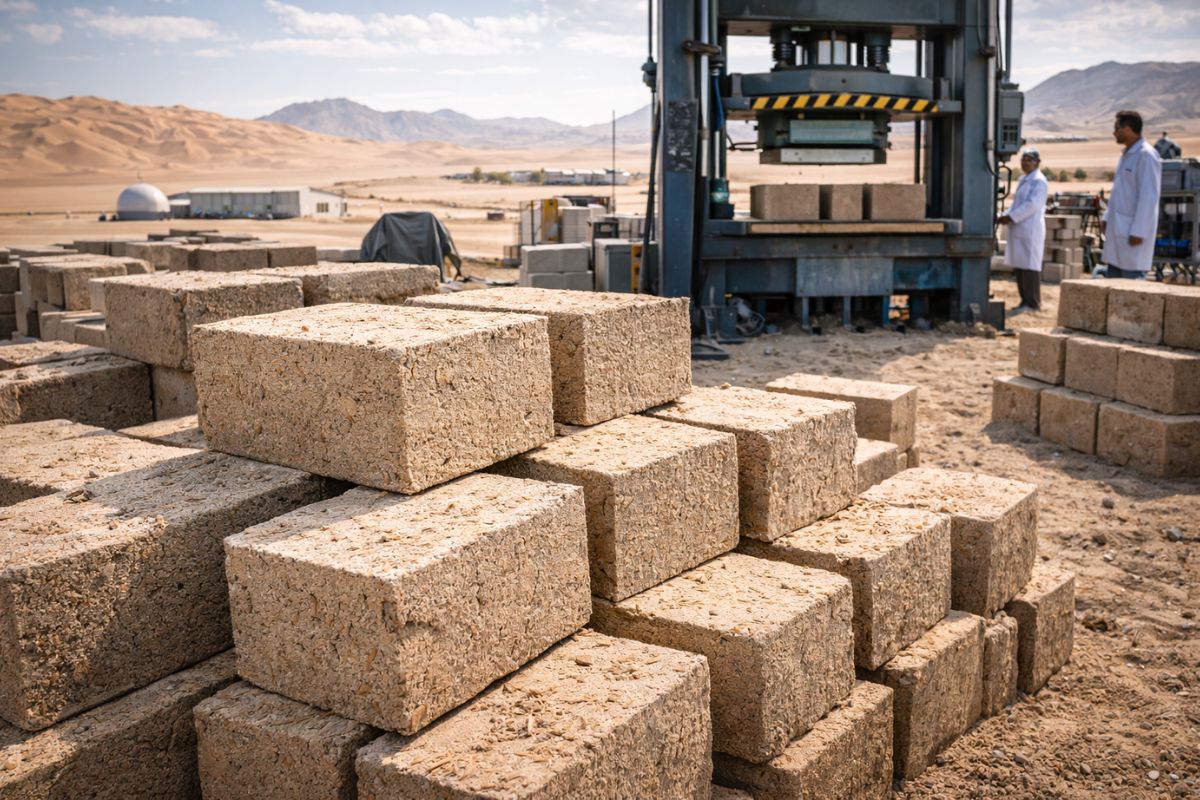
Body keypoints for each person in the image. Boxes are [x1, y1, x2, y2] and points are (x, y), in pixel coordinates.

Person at [1098, 110, 1161, 279]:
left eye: (1116, 127)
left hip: (1132, 234)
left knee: (1131, 284)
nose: (1114, 132)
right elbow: (1120, 192)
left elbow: (1149, 197)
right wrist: (1107, 217)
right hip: (1118, 230)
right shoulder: (1127, 155)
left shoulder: (1146, 156)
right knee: (1114, 283)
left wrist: (1139, 230)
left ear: (1127, 129)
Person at [999, 148, 1049, 312]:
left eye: (1029, 160)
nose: (1025, 162)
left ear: (1037, 162)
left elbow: (1031, 205)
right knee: (1020, 266)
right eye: (1023, 159)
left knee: (1030, 266)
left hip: (1030, 229)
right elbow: (1016, 205)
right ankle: (1024, 301)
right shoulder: (1024, 179)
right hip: (1020, 228)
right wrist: (1004, 215)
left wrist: (1011, 217)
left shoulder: (1039, 181)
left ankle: (1033, 303)